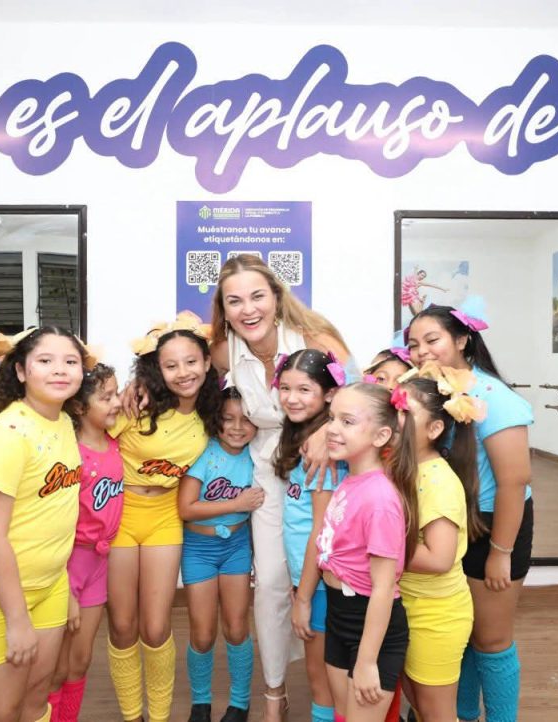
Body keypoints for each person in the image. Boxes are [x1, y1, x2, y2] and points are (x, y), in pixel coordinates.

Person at [209, 255, 351, 720]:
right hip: (267, 469)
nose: (248, 309)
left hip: (322, 463)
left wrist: (326, 429)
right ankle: (275, 691)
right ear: (224, 309)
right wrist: (139, 389)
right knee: (270, 580)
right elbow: (177, 372)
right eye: (234, 301)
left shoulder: (315, 338)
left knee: (332, 571)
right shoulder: (223, 350)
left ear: (276, 296)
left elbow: (362, 395)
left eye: (257, 296)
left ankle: (345, 680)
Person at [0, 327, 87, 722]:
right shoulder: (6, 436)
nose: (60, 370)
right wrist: (17, 618)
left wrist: (64, 587)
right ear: (21, 371)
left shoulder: (63, 422)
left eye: (70, 361)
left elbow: (52, 515)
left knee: (36, 701)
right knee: (0, 712)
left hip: (50, 586)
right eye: (45, 361)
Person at [405, 306, 533, 722]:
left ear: (462, 340)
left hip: (496, 524)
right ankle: (459, 714)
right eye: (413, 344)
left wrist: (501, 552)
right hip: (454, 521)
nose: (422, 351)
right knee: (462, 633)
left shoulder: (495, 398)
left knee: (491, 639)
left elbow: (514, 483)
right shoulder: (429, 391)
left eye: (432, 340)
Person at [107, 312, 222, 722]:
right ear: (157, 369)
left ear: (207, 362)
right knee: (123, 626)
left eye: (191, 361)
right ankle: (131, 716)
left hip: (165, 517)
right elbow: (89, 438)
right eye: (171, 365)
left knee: (156, 629)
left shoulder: (213, 414)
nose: (183, 372)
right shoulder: (137, 405)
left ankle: (158, 717)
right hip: (121, 514)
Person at [390, 365, 486, 722]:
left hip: (436, 614)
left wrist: (378, 548)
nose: (395, 419)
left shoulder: (438, 482)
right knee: (418, 701)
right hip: (407, 603)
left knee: (436, 712)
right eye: (394, 408)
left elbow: (439, 558)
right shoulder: (402, 468)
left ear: (434, 429)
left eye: (405, 412)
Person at [316, 382, 414, 722]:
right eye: (331, 418)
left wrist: (368, 660)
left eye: (347, 421)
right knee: (343, 715)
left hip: (370, 629)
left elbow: (384, 587)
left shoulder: (380, 499)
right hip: (338, 615)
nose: (332, 429)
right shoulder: (350, 480)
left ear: (381, 435)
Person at [177, 386, 262, 722]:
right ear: (216, 420)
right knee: (202, 633)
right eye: (228, 419)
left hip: (236, 548)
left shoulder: (256, 455)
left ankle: (240, 703)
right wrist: (235, 504)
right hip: (199, 550)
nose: (237, 427)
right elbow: (186, 508)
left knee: (237, 628)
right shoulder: (204, 452)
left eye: (246, 419)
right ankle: (201, 703)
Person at [48, 362, 125, 722]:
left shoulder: (116, 441)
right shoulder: (68, 452)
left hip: (98, 565)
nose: (116, 402)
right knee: (55, 667)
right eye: (106, 397)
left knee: (80, 661)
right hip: (67, 566)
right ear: (79, 407)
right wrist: (64, 588)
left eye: (116, 393)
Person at [274, 350, 346, 722]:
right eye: (285, 388)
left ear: (330, 393)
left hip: (320, 584)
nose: (292, 398)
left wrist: (303, 598)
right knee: (325, 679)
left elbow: (321, 531)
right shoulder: (305, 437)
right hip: (310, 579)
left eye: (304, 389)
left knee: (323, 681)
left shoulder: (325, 453)